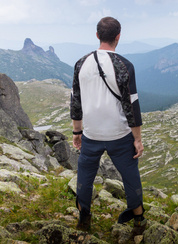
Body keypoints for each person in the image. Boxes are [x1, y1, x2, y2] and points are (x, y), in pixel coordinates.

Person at [70, 16, 146, 235]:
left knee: (85, 173)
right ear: (118, 37)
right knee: (129, 174)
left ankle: (84, 216)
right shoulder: (124, 65)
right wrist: (137, 139)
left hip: (91, 134)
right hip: (119, 135)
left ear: (97, 35)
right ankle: (139, 219)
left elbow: (76, 100)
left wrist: (77, 130)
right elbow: (132, 105)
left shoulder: (81, 63)